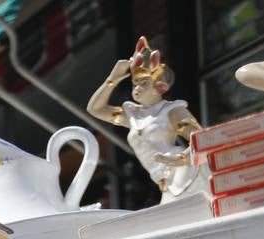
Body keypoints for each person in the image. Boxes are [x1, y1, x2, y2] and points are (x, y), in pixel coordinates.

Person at [86, 36, 209, 203]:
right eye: (135, 83)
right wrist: (112, 79)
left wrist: (181, 159)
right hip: (165, 182)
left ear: (160, 88)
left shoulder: (172, 111)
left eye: (143, 83)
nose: (136, 88)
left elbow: (203, 141)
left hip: (186, 173)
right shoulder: (132, 115)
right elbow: (95, 109)